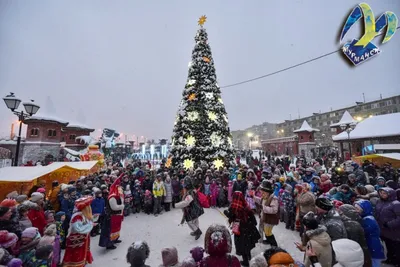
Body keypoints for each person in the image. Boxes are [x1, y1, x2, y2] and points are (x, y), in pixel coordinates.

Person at [224, 191, 260, 266]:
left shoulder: (233, 207)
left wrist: (226, 213)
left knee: (242, 245)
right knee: (247, 243)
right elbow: (253, 219)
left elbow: (231, 216)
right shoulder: (246, 205)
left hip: (240, 229)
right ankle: (249, 255)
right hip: (249, 229)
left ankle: (246, 262)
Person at [62, 196, 94, 267]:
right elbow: (79, 229)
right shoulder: (77, 216)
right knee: (76, 255)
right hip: (76, 240)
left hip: (82, 238)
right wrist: (90, 225)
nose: (90, 208)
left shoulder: (83, 215)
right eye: (88, 206)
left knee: (81, 253)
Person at [354, 200, 385, 267]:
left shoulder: (368, 220)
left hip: (373, 245)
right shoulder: (366, 217)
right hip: (373, 244)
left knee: (374, 262)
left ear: (365, 209)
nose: (355, 210)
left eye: (357, 208)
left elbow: (364, 232)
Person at [375, 187, 400, 266]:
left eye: (384, 193)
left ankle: (397, 261)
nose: (382, 195)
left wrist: (389, 224)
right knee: (388, 245)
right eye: (381, 193)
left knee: (395, 247)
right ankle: (390, 259)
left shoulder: (396, 204)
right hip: (383, 229)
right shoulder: (380, 202)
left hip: (394, 230)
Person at [99, 174, 124, 250]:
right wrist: (121, 206)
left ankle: (115, 239)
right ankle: (109, 244)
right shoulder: (112, 197)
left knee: (116, 228)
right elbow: (114, 207)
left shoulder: (117, 196)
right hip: (112, 216)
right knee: (110, 230)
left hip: (117, 215)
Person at [253, 180, 279, 247]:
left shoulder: (273, 198)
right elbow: (260, 201)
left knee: (268, 232)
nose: (261, 193)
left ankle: (274, 245)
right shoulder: (264, 197)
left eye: (263, 192)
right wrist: (254, 197)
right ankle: (268, 240)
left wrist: (264, 208)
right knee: (265, 230)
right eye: (261, 192)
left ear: (268, 192)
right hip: (264, 217)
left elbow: (274, 210)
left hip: (270, 219)